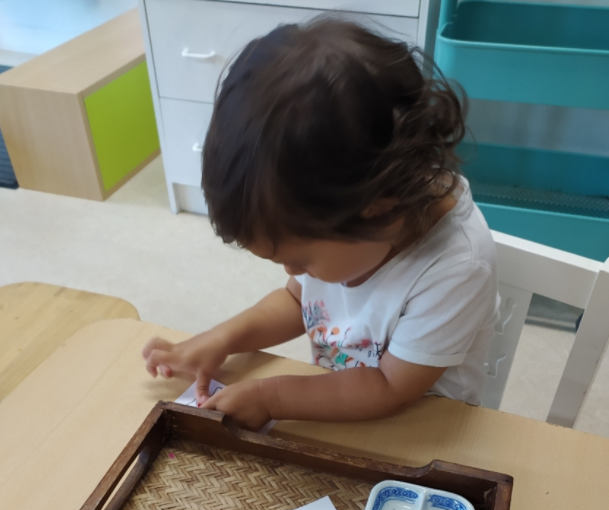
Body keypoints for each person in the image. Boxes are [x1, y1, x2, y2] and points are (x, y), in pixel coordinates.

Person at [143, 18, 500, 432]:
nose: (292, 273)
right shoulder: (339, 216)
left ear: (376, 208)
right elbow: (298, 303)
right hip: (342, 406)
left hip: (420, 431)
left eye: (300, 261)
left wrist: (270, 396)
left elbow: (389, 387)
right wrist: (221, 339)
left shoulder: (456, 266)